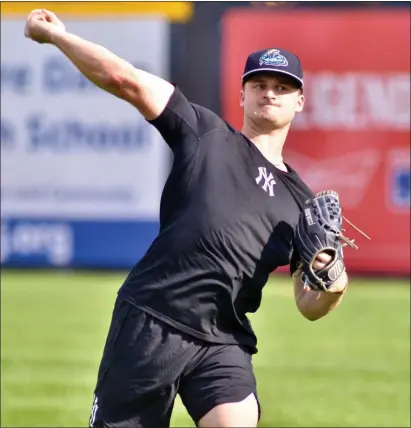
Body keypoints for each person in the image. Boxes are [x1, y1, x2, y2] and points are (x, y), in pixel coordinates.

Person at [25, 9, 350, 428]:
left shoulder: (302, 202)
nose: (270, 93)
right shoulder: (205, 133)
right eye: (260, 84)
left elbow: (309, 305)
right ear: (242, 94)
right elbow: (126, 79)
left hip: (223, 338)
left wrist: (334, 280)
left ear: (299, 100)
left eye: (283, 87)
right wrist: (58, 37)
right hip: (152, 318)